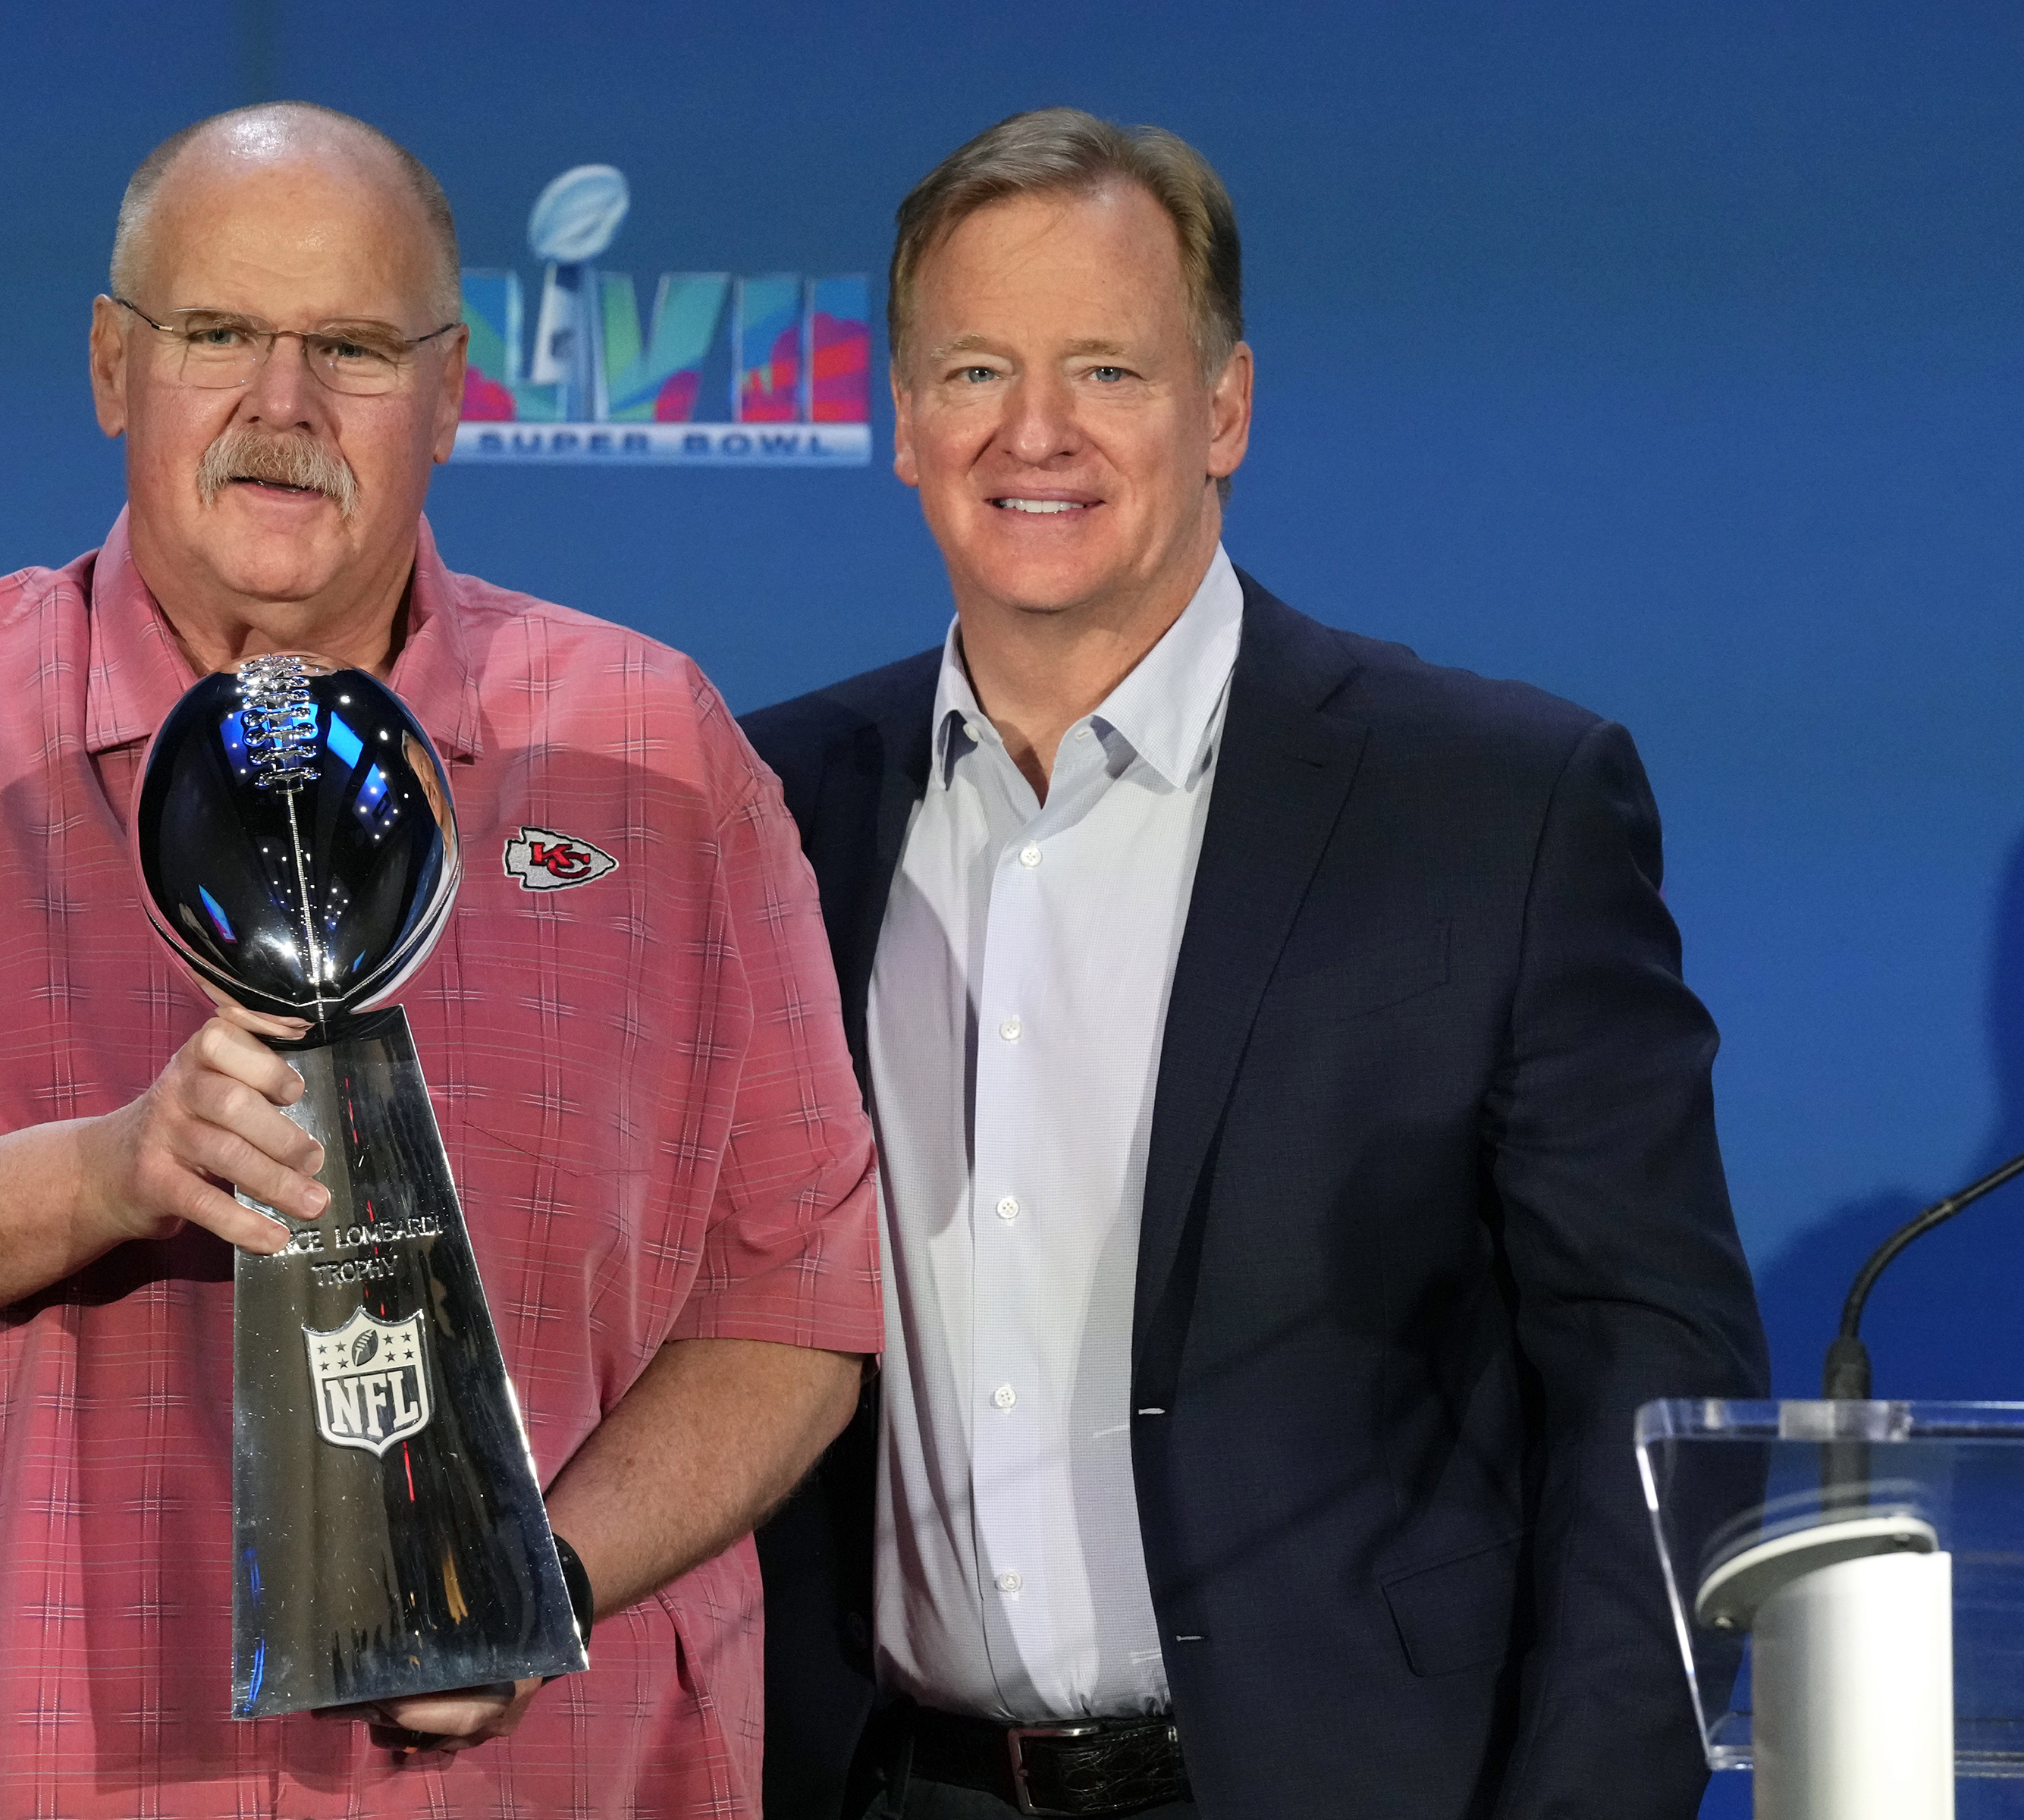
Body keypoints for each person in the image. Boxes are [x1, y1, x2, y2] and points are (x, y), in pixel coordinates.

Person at [0, 102, 879, 1818]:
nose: (283, 405)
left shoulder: (658, 754)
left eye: (351, 347)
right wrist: (105, 1173)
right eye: (221, 334)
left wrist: (534, 1577)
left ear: (460, 391)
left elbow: (797, 1299)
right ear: (115, 365)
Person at [742, 108, 1766, 1820]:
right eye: (977, 368)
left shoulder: (1496, 805)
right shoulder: (764, 804)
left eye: (1109, 372)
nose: (1036, 432)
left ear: (1224, 407)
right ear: (902, 421)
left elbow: (1651, 1386)